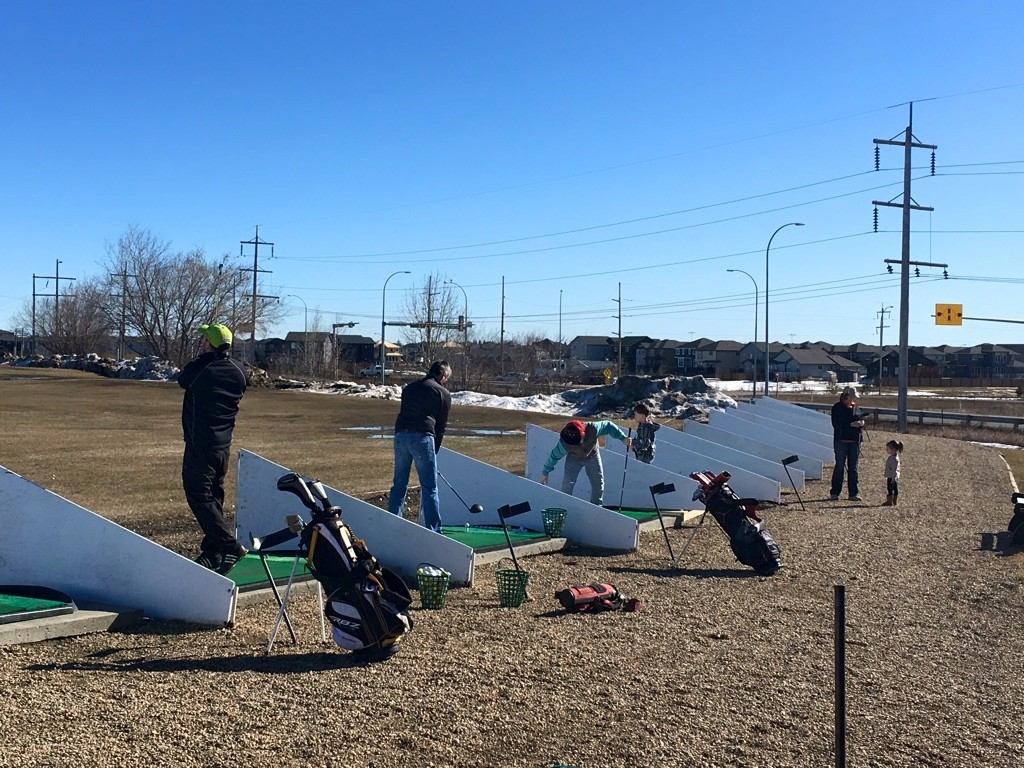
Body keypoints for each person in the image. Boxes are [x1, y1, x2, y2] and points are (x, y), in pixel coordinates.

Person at [179, 323, 248, 574]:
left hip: (200, 444)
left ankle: (229, 546)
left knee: (198, 494)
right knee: (214, 495)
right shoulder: (238, 371)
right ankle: (213, 550)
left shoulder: (203, 369)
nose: (200, 343)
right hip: (223, 445)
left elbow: (183, 379)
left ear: (210, 344)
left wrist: (206, 356)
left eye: (204, 340)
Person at [388, 360, 452, 532]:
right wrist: (434, 452)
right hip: (423, 436)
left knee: (399, 484)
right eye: (447, 377)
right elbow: (441, 427)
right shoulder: (443, 393)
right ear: (443, 375)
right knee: (429, 486)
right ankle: (434, 530)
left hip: (401, 435)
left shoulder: (409, 388)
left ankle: (393, 524)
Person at [539, 419, 631, 505]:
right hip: (573, 458)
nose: (576, 445)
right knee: (567, 484)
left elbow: (608, 425)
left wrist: (623, 438)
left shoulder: (593, 428)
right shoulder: (564, 443)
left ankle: (597, 507)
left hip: (592, 456)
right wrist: (545, 472)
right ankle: (565, 507)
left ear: (583, 434)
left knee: (598, 483)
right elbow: (554, 456)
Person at [829, 385, 865, 501]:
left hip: (854, 441)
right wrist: (850, 424)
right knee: (839, 466)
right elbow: (836, 424)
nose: (853, 399)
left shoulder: (855, 407)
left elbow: (860, 417)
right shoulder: (837, 407)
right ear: (846, 396)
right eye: (852, 397)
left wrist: (861, 423)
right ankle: (835, 492)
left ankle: (853, 493)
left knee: (853, 468)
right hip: (841, 441)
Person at [883, 440, 904, 507]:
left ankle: (890, 501)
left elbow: (894, 469)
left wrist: (893, 478)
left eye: (888, 449)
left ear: (893, 449)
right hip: (893, 476)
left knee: (890, 488)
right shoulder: (893, 457)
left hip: (892, 477)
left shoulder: (894, 459)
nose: (887, 450)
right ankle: (893, 501)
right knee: (894, 488)